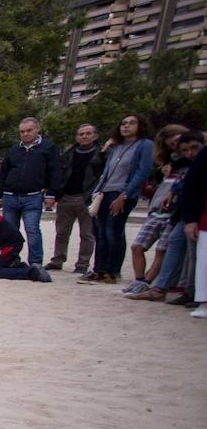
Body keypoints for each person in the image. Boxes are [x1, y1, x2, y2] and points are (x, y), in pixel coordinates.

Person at [125, 130, 203, 302]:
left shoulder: (196, 163)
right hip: (179, 212)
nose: (189, 153)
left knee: (181, 250)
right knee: (178, 248)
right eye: (184, 149)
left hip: (189, 213)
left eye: (194, 148)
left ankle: (186, 291)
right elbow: (186, 184)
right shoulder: (176, 163)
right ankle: (172, 288)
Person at [86, 113, 154, 283]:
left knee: (113, 231)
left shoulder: (144, 145)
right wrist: (105, 148)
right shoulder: (117, 146)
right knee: (100, 233)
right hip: (105, 192)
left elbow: (142, 171)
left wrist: (125, 194)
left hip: (122, 193)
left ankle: (112, 271)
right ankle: (99, 270)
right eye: (123, 123)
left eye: (131, 123)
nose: (126, 126)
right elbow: (99, 168)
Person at [0, 117, 60, 268]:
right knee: (9, 231)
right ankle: (10, 258)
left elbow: (54, 171)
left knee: (32, 230)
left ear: (38, 129)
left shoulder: (48, 148)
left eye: (29, 131)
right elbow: (3, 173)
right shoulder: (13, 150)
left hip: (33, 196)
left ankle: (35, 262)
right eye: (22, 132)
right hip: (10, 196)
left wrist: (51, 193)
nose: (25, 134)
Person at [47, 123, 104, 274]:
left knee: (87, 234)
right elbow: (59, 174)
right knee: (61, 232)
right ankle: (57, 260)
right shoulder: (68, 154)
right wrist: (55, 194)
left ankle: (82, 263)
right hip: (66, 197)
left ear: (95, 136)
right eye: (81, 134)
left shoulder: (102, 154)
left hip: (87, 197)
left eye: (88, 133)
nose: (84, 136)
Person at [177, 140, 207, 318]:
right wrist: (190, 220)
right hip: (204, 218)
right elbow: (191, 187)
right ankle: (204, 302)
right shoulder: (205, 155)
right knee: (204, 263)